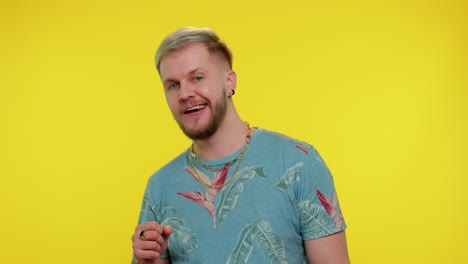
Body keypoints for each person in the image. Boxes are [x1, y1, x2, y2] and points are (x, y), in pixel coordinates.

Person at [131, 27, 349, 264]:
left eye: (197, 77)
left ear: (229, 82)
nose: (184, 93)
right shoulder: (160, 185)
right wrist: (149, 259)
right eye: (173, 85)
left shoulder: (299, 162)